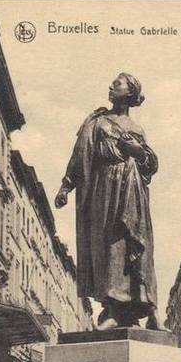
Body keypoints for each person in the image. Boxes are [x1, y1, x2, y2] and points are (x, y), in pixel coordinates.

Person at [55, 73, 161, 330]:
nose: (111, 87)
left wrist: (138, 152)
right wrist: (66, 186)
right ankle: (113, 309)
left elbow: (151, 167)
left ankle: (146, 309)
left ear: (130, 92)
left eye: (117, 84)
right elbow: (81, 155)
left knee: (137, 247)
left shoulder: (138, 129)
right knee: (109, 246)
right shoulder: (97, 122)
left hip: (132, 188)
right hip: (104, 187)